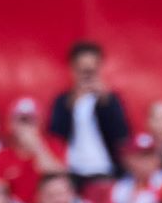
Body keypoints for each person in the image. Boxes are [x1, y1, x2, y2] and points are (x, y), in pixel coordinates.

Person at [48, 41, 130, 184]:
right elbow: (55, 137)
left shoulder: (110, 100)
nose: (87, 75)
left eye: (91, 70)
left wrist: (107, 103)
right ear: (73, 69)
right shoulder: (63, 102)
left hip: (105, 172)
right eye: (82, 70)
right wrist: (71, 106)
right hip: (72, 173)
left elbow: (122, 137)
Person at [0, 96, 66, 203]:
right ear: (11, 123)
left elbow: (60, 179)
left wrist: (37, 147)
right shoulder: (3, 155)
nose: (25, 126)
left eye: (30, 120)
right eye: (21, 120)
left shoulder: (54, 145)